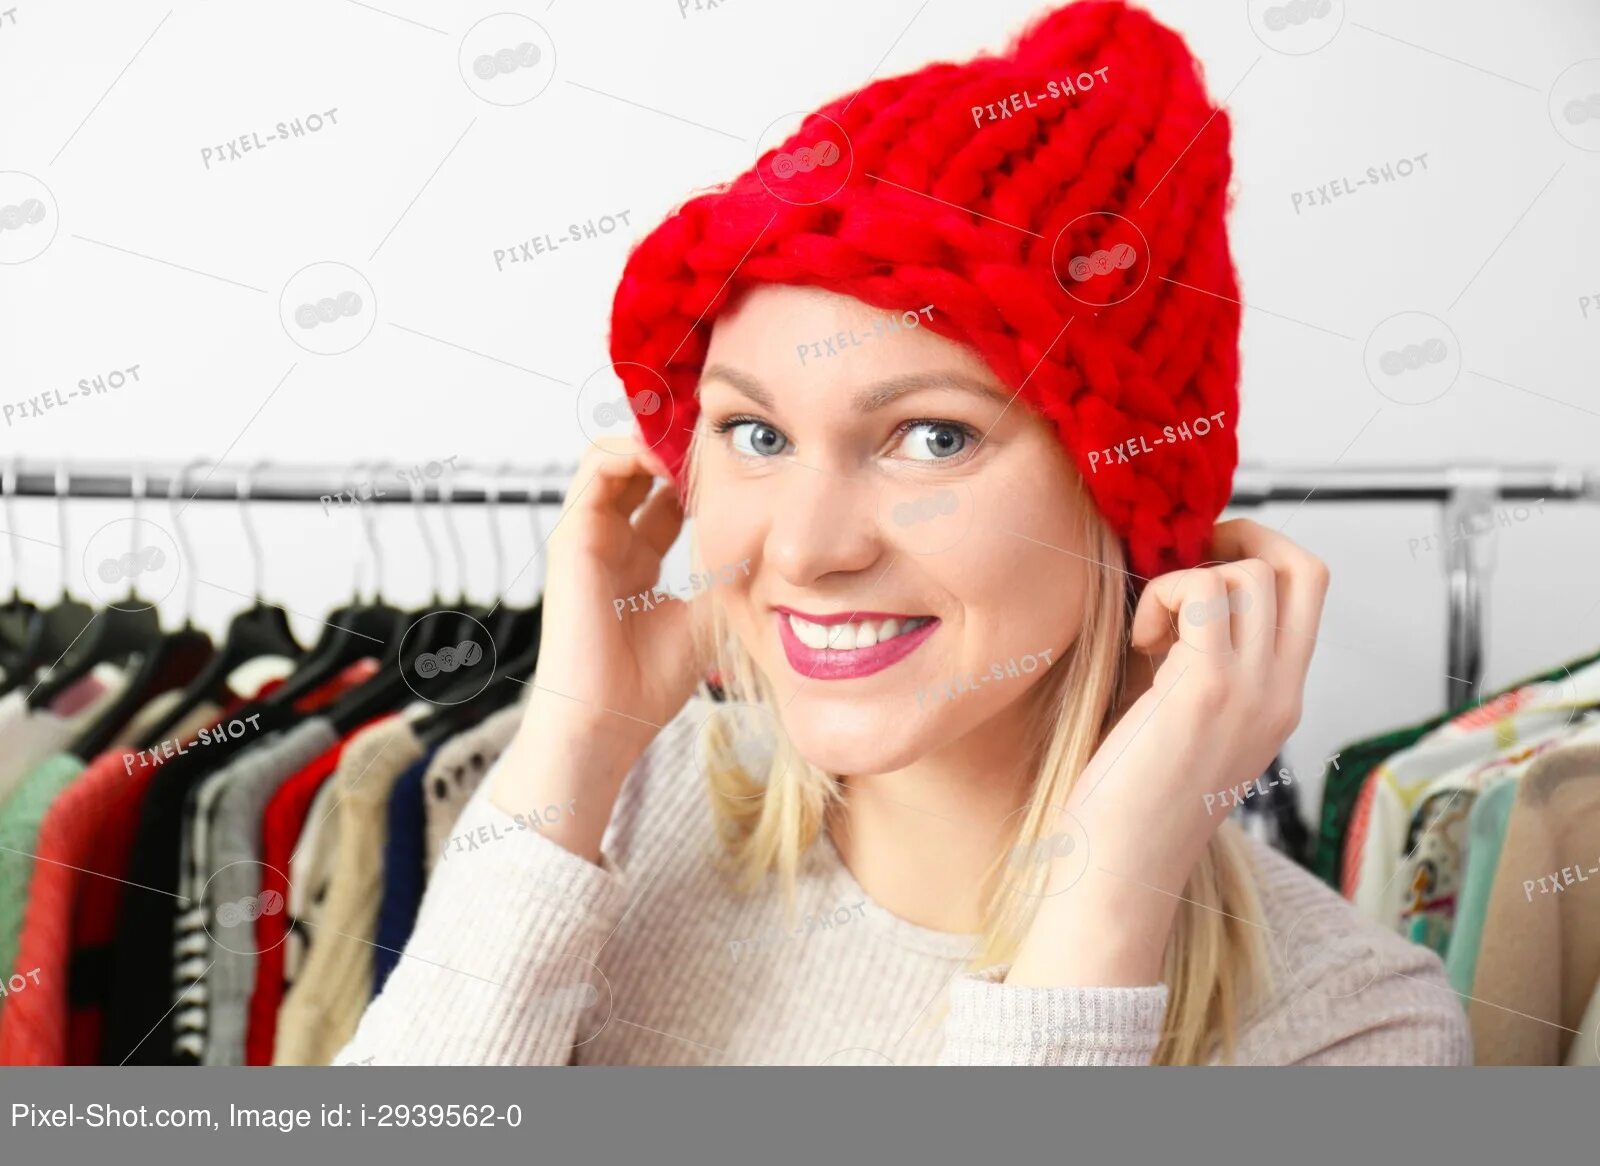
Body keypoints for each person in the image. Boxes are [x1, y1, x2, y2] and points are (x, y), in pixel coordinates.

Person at [334, 0, 1469, 1066]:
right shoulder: (608, 811)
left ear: (1123, 499)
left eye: (931, 437)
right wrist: (573, 745)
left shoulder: (1350, 1029)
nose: (804, 548)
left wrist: (1101, 897)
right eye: (755, 433)